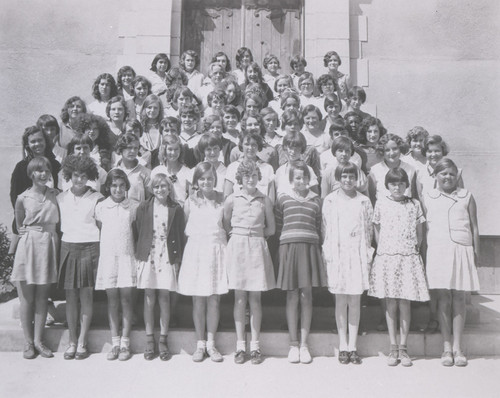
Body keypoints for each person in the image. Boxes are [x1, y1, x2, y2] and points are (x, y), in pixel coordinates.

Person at [368, 168, 429, 367]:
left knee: (405, 302)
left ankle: (403, 348)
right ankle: (393, 347)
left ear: (406, 185)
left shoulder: (414, 204)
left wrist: (411, 249)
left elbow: (420, 233)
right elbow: (377, 230)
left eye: (401, 183)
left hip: (408, 258)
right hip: (387, 257)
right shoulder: (381, 204)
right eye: (393, 183)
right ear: (387, 185)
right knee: (391, 303)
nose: (397, 187)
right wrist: (386, 250)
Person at [424, 158, 480, 367]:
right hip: (438, 250)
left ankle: (458, 347)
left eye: (451, 174)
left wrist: (476, 253)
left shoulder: (466, 196)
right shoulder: (428, 197)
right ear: (436, 176)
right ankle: (446, 346)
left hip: (461, 249)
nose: (447, 177)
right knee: (443, 297)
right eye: (443, 174)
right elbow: (424, 229)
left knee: (459, 297)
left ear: (457, 175)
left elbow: (474, 227)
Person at [223, 159, 276, 365]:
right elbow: (226, 222)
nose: (251, 179)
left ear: (258, 177)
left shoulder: (264, 200)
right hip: (237, 246)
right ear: (240, 179)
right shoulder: (231, 199)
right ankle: (240, 346)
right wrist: (240, 235)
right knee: (239, 298)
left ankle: (255, 346)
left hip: (256, 246)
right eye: (247, 176)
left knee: (255, 299)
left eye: (254, 175)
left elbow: (271, 228)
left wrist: (254, 235)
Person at [322, 162, 374, 365]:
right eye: (344, 176)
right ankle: (342, 345)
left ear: (357, 178)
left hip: (357, 254)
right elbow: (325, 228)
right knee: (340, 300)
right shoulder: (330, 200)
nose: (348, 180)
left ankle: (353, 346)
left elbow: (368, 231)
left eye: (351, 176)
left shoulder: (364, 201)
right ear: (338, 178)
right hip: (338, 254)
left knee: (354, 300)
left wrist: (366, 252)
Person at [275, 161, 325, 364]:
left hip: (309, 248)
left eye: (305, 177)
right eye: (297, 177)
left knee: (306, 295)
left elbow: (320, 226)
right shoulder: (283, 199)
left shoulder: (316, 201)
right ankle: (293, 344)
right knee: (292, 295)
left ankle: (304, 345)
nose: (301, 181)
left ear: (309, 179)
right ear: (291, 180)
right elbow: (279, 225)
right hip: (289, 247)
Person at [177, 162, 228, 362]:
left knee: (214, 298)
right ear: (196, 181)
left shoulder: (223, 200)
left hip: (216, 250)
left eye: (210, 178)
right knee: (198, 299)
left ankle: (211, 343)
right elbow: (185, 229)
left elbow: (226, 227)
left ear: (215, 179)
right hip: (196, 251)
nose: (206, 182)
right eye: (202, 178)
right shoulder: (189, 201)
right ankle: (199, 345)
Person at [11, 157, 60, 359]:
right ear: (31, 174)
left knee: (42, 298)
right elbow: (20, 223)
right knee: (27, 299)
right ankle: (28, 342)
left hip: (48, 245)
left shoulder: (55, 195)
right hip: (29, 246)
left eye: (46, 170)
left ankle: (39, 341)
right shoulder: (22, 198)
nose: (43, 174)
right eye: (38, 170)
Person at [133, 172, 185, 361]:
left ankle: (163, 339)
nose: (160, 190)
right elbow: (138, 231)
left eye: (163, 186)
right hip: (149, 254)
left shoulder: (176, 208)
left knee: (164, 297)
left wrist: (177, 259)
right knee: (149, 297)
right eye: (156, 187)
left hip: (167, 255)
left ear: (169, 188)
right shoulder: (144, 207)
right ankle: (149, 340)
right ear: (151, 189)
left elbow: (179, 234)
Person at [57, 155, 103, 360]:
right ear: (69, 175)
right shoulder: (60, 198)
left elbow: (101, 227)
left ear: (90, 176)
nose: (79, 180)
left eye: (84, 176)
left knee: (86, 296)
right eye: (76, 175)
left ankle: (83, 341)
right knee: (71, 297)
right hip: (68, 247)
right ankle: (72, 341)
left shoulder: (97, 198)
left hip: (90, 247)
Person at [94, 169, 138, 361]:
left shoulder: (134, 207)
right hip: (109, 258)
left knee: (126, 301)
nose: (118, 189)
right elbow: (100, 227)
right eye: (114, 185)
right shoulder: (102, 207)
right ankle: (115, 342)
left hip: (127, 257)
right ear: (108, 187)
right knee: (112, 301)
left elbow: (135, 231)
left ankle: (126, 342)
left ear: (127, 186)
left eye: (121, 185)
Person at [10, 127, 61, 234]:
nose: (37, 144)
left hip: (51, 223)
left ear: (45, 141)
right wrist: (22, 221)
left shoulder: (55, 165)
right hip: (29, 223)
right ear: (27, 144)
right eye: (33, 141)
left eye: (40, 140)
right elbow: (15, 195)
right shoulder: (21, 167)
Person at [224, 131, 276, 203]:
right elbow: (227, 197)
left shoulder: (268, 168)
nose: (250, 148)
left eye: (254, 144)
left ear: (258, 146)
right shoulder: (232, 167)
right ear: (241, 145)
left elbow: (271, 200)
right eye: (247, 144)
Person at [368, 133, 416, 205]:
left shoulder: (410, 169)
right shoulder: (375, 170)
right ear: (382, 151)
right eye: (387, 150)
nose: (392, 153)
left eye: (395, 148)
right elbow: (371, 197)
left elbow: (414, 195)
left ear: (400, 148)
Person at [152, 134, 192, 206]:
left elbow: (191, 198)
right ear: (164, 150)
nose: (173, 153)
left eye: (176, 149)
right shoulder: (156, 171)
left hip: (181, 211)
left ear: (180, 150)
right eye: (170, 149)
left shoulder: (188, 172)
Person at [275, 132, 318, 196]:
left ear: (302, 150)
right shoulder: (280, 170)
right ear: (285, 148)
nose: (293, 152)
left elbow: (315, 194)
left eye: (297, 149)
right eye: (290, 148)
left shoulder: (308, 169)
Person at [114, 133, 151, 203]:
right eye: (129, 147)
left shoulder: (145, 173)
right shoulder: (114, 172)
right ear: (121, 149)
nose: (133, 151)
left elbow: (149, 200)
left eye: (136, 148)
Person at [139, 94, 164, 167]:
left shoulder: (163, 126)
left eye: (155, 108)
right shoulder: (139, 126)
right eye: (149, 107)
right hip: (142, 165)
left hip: (160, 165)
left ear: (159, 110)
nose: (152, 110)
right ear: (144, 108)